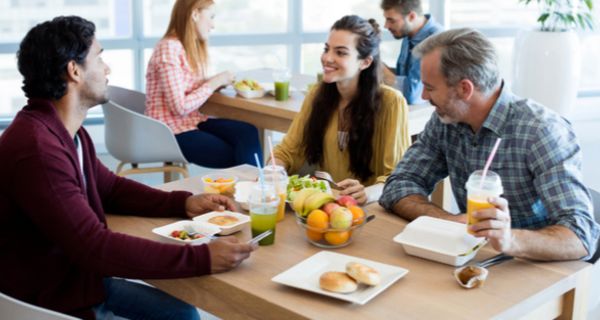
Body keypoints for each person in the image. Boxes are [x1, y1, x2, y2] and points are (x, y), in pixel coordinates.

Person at [0, 16, 256, 319]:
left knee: (183, 315)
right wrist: (200, 257)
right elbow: (95, 247)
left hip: (80, 283)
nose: (107, 69)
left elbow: (110, 188)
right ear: (74, 71)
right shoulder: (38, 150)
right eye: (99, 57)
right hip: (53, 304)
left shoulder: (63, 131)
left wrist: (183, 201)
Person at [379, 28, 600, 261]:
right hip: (474, 258)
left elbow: (581, 236)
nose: (423, 96)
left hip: (531, 265)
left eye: (430, 87)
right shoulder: (446, 120)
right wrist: (448, 221)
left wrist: (509, 239)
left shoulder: (542, 131)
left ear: (465, 89)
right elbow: (399, 184)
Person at [272, 15, 410, 205]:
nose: (327, 58)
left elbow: (397, 177)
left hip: (372, 210)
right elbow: (287, 152)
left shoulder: (392, 103)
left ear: (365, 62)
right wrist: (272, 171)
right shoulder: (316, 95)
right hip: (328, 206)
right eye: (326, 49)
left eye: (341, 53)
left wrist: (368, 193)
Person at [146, 0, 262, 168]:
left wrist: (214, 82)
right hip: (171, 132)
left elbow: (185, 87)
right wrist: (214, 82)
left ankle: (254, 188)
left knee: (248, 131)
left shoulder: (184, 47)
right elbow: (180, 107)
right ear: (194, 14)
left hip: (192, 121)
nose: (213, 25)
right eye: (211, 17)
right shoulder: (168, 48)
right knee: (236, 155)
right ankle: (253, 189)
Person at [380, 0, 443, 104]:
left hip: (424, 115)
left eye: (391, 20)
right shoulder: (409, 33)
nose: (386, 26)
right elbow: (404, 76)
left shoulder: (435, 41)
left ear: (411, 17)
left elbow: (412, 95)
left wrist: (380, 69)